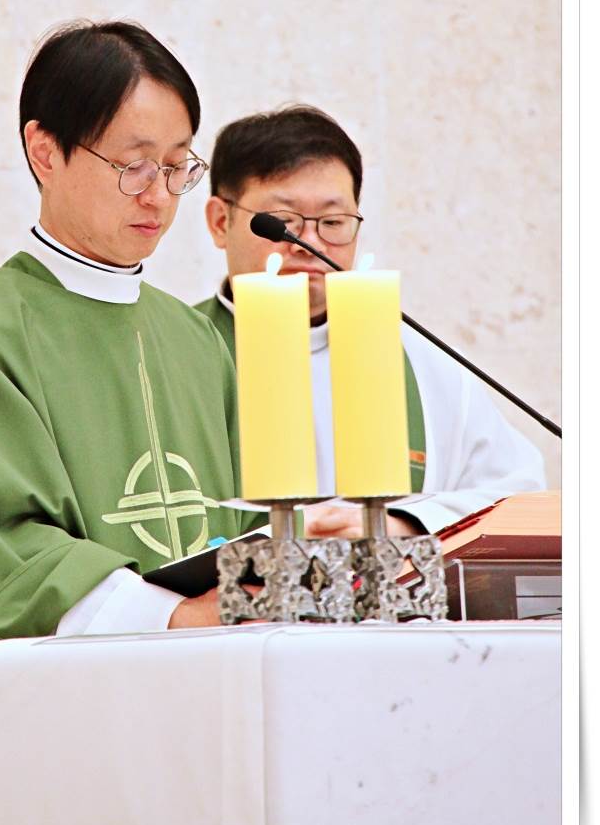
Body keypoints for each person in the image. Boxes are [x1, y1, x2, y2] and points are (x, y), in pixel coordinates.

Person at [0, 20, 259, 646]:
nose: (159, 196)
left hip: (206, 683)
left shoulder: (197, 341)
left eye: (177, 166)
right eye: (134, 166)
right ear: (45, 152)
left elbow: (243, 527)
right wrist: (170, 617)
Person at [195, 105, 546, 537]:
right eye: (282, 222)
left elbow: (519, 495)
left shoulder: (424, 364)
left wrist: (404, 524)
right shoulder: (173, 353)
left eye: (333, 222)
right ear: (220, 222)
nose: (308, 243)